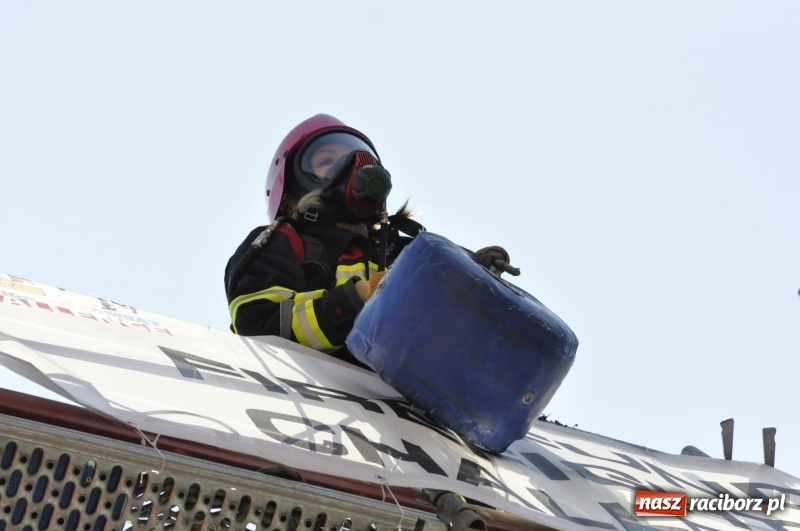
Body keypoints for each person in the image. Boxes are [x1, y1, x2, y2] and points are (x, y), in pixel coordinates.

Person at [224, 114, 516, 368]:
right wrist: (356, 299)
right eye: (328, 161)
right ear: (291, 196)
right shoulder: (283, 243)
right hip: (310, 406)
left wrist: (474, 277)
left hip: (400, 420)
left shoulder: (409, 254)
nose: (355, 165)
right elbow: (258, 328)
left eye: (358, 155)